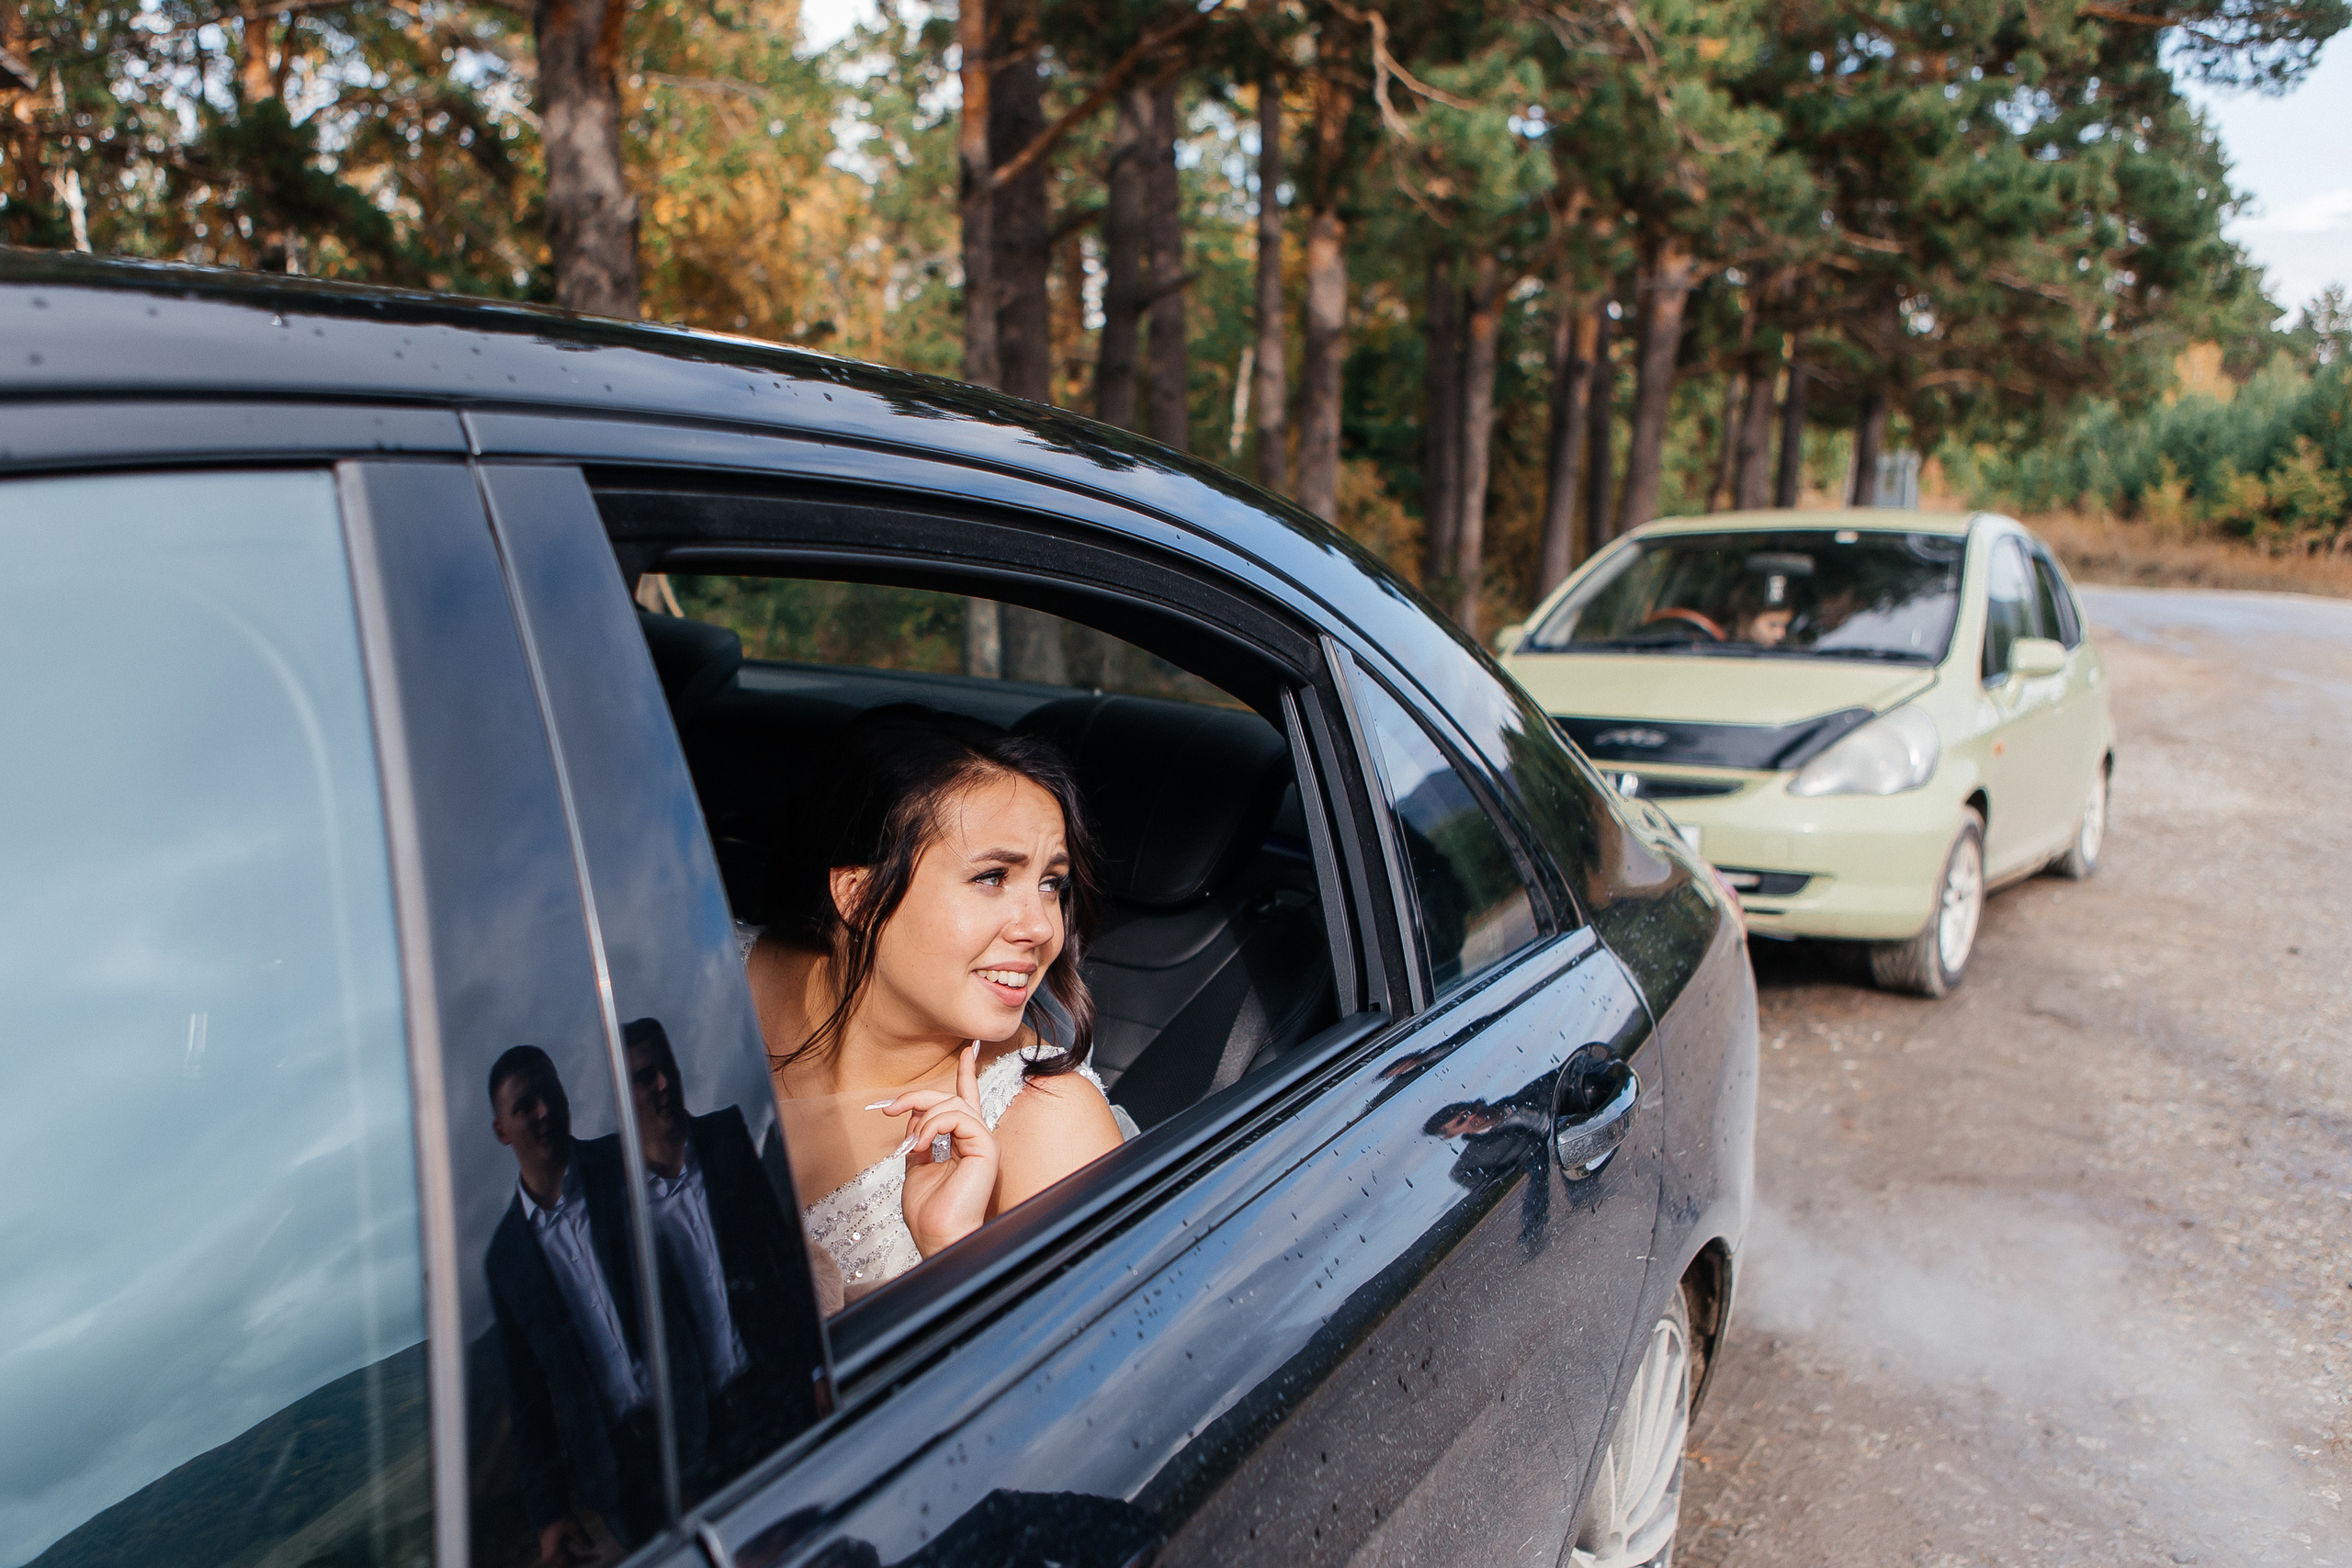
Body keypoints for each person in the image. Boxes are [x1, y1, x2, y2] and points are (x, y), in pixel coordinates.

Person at [743, 705, 1131, 1303]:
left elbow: (1091, 1349)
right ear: (860, 894)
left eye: (1052, 884)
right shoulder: (698, 978)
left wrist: (952, 1253)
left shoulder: (1049, 1124)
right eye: (993, 877)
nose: (1040, 927)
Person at [618, 1017, 832, 1470]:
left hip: (786, 1385)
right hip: (711, 1433)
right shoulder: (620, 1203)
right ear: (622, 1096)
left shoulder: (726, 1137)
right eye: (644, 1076)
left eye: (666, 1066)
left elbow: (783, 1253)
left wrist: (818, 1366)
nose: (662, 1083)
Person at [483, 1046, 662, 1565]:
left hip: (706, 1417)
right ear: (501, 1132)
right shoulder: (506, 1259)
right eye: (524, 1105)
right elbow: (527, 1397)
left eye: (549, 1094)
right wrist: (549, 1516)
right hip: (620, 1477)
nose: (543, 1111)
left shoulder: (629, 1163)